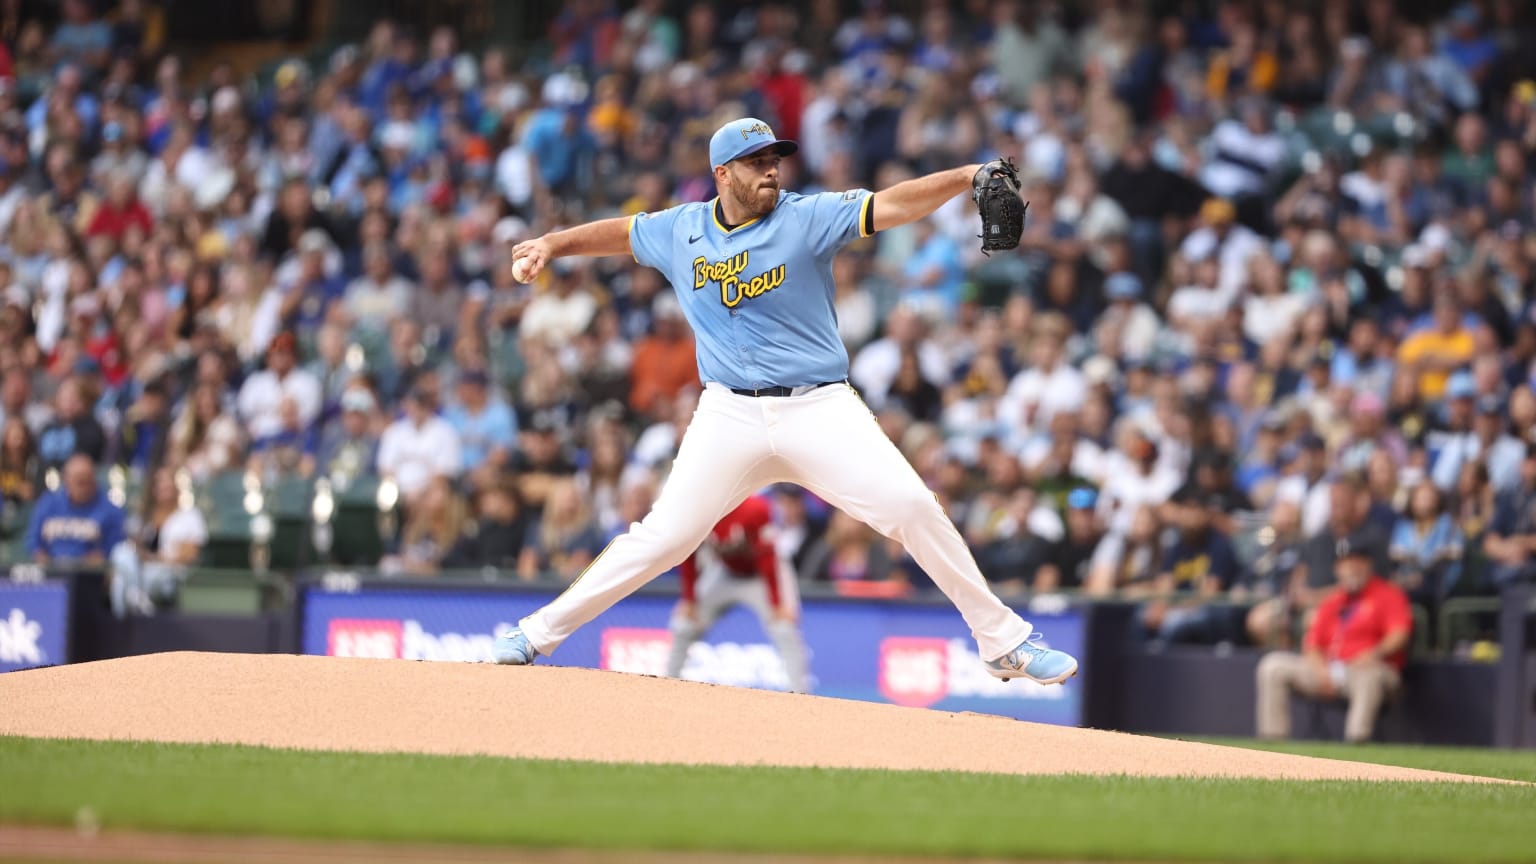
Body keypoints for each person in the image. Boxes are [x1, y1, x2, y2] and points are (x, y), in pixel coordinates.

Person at [493, 117, 1077, 685]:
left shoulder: (807, 217)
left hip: (818, 406)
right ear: (723, 174)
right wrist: (552, 244)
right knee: (664, 537)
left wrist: (966, 175)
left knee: (912, 507)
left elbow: (893, 205)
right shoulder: (681, 229)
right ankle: (535, 633)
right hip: (728, 412)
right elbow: (621, 233)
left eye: (774, 159)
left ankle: (1003, 642)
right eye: (756, 162)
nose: (771, 170)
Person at [1255, 533, 1412, 743]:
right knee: (1272, 666)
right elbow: (1312, 644)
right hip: (1330, 670)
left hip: (1370, 669)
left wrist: (1374, 654)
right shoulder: (1333, 601)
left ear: (1368, 564)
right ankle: (1272, 741)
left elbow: (1399, 635)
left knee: (1369, 677)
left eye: (1357, 562)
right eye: (1345, 563)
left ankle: (1357, 742)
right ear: (1337, 569)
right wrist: (1321, 671)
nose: (1351, 569)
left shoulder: (1388, 595)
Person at [665, 494, 809, 693]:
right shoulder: (698, 509)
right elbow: (689, 554)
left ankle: (800, 695)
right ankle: (666, 684)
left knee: (783, 626)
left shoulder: (755, 508)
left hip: (761, 576)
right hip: (724, 572)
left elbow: (767, 558)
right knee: (685, 623)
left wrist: (777, 603)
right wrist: (689, 599)